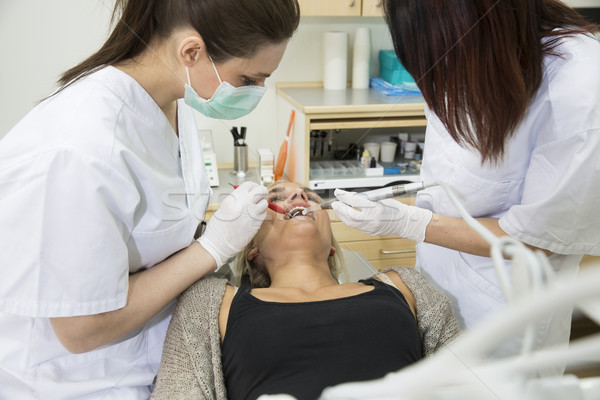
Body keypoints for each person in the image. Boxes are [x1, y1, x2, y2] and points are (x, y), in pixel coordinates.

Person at [0, 0, 300, 398]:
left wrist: (211, 236)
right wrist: (212, 247)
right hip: (80, 384)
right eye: (248, 80)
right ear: (191, 51)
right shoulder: (82, 149)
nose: (256, 92)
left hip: (154, 364)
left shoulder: (174, 99)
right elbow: (79, 328)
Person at [332, 0, 600, 360]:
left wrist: (409, 222)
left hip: (506, 313)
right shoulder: (462, 57)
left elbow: (535, 238)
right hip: (435, 287)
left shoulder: (577, 82)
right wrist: (418, 223)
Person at [150, 182, 459, 400]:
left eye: (309, 195)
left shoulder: (404, 285)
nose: (299, 195)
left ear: (333, 248)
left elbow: (467, 379)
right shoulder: (212, 304)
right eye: (277, 197)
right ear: (252, 248)